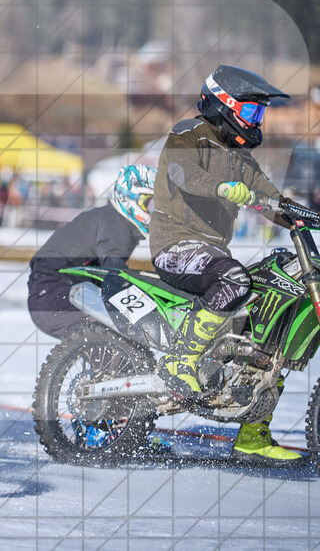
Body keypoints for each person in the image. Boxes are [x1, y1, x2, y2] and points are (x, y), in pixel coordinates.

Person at [151, 64, 300, 465]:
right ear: (224, 105)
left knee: (272, 322)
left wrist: (301, 215)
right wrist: (220, 187)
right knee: (235, 278)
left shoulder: (242, 160)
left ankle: (253, 432)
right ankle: (181, 359)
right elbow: (184, 173)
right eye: (252, 112)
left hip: (213, 257)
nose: (257, 122)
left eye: (259, 115)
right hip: (176, 246)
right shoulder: (188, 134)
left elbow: (272, 199)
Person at [28, 165, 156, 339]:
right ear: (131, 198)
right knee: (106, 343)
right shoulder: (116, 224)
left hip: (54, 286)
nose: (153, 212)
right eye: (149, 203)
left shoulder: (113, 218)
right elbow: (116, 275)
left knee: (115, 340)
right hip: (52, 289)